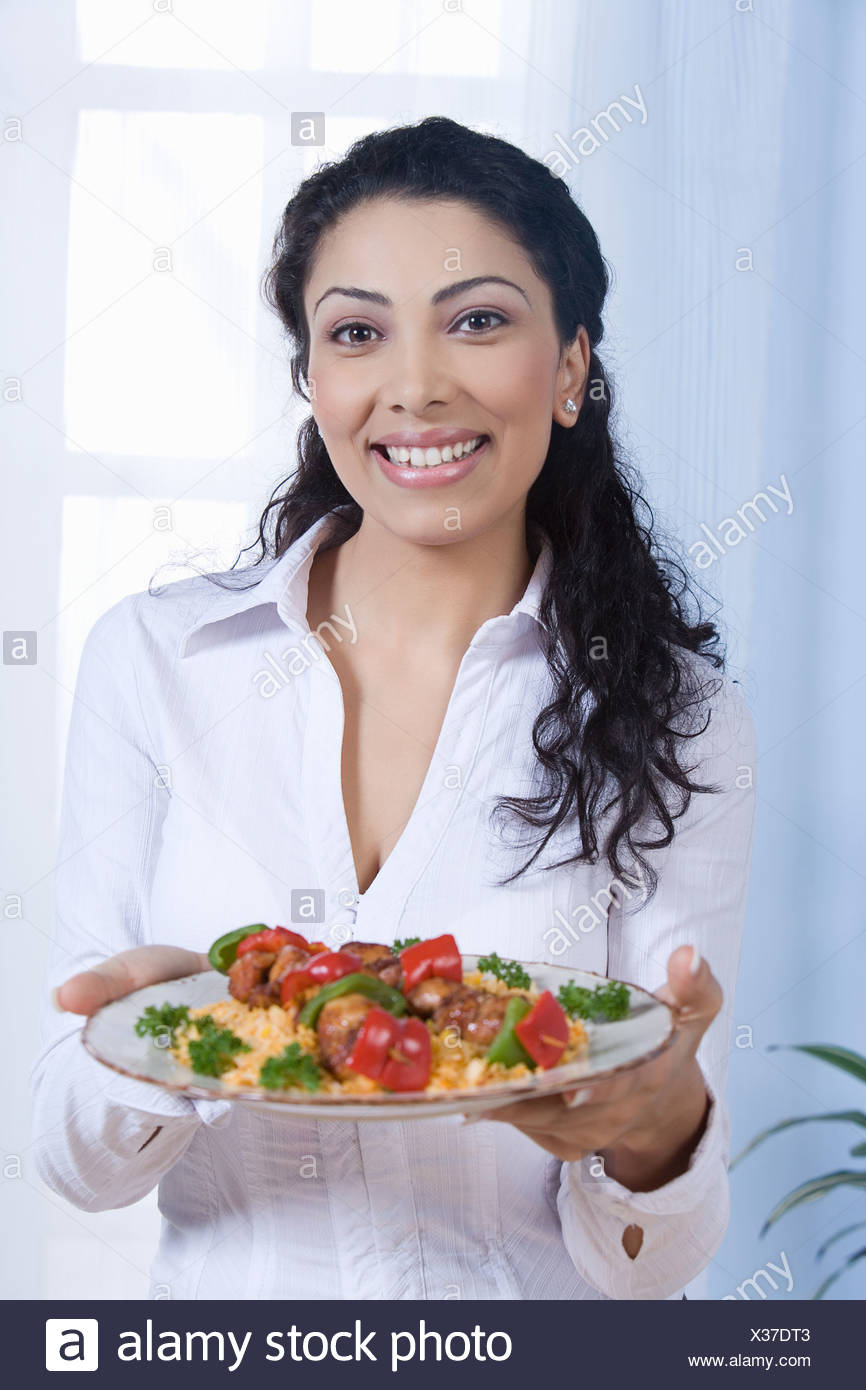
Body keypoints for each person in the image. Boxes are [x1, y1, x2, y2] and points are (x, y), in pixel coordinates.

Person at [31, 117, 756, 1300]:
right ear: (313, 381)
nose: (415, 385)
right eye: (358, 333)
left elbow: (649, 1269)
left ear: (570, 366)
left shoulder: (677, 715)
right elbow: (74, 1160)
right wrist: (158, 1033)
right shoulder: (158, 661)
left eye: (477, 320)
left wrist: (662, 1121)